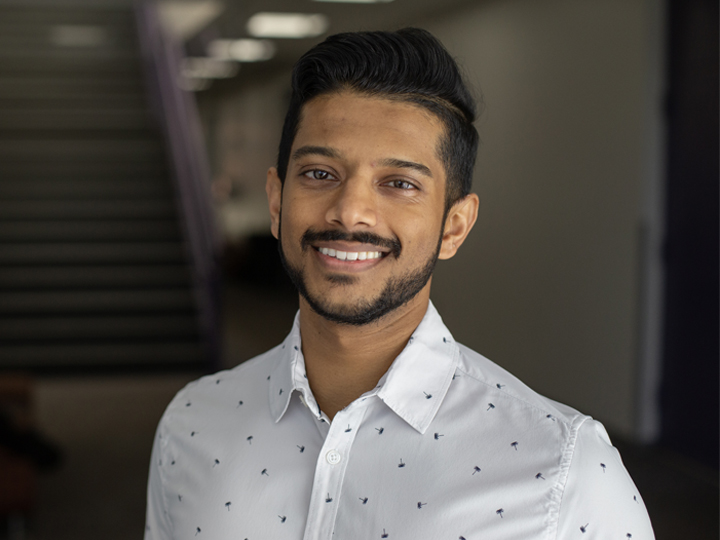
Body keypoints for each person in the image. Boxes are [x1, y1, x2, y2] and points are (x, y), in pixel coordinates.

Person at [144, 28, 654, 539]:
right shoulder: (192, 422)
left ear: (454, 226)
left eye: (400, 184)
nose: (350, 211)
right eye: (320, 174)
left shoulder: (565, 470)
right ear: (276, 202)